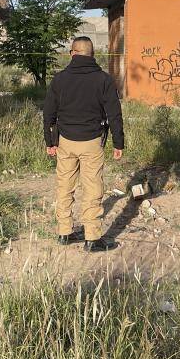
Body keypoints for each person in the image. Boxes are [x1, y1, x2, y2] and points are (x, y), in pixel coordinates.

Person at [43, 36, 125, 252]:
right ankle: (92, 238)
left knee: (64, 187)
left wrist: (50, 141)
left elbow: (48, 113)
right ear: (92, 55)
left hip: (65, 142)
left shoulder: (59, 79)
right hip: (92, 142)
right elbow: (114, 114)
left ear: (72, 53)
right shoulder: (104, 79)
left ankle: (64, 232)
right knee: (92, 189)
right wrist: (118, 143)